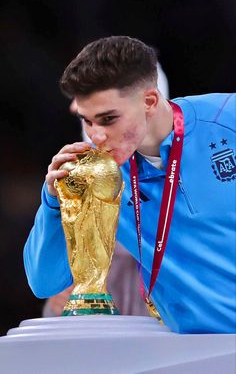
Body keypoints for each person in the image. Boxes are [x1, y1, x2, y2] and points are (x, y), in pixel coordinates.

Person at [24, 36, 236, 333]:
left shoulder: (228, 119)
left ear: (149, 101)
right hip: (194, 353)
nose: (96, 136)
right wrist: (52, 201)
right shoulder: (96, 175)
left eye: (108, 119)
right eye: (88, 121)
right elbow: (45, 282)